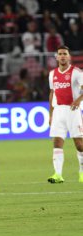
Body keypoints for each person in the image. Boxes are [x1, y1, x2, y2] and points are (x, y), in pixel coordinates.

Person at [48, 45, 83, 184]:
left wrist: (78, 99)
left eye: (65, 54)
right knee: (57, 142)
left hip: (73, 112)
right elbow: (52, 93)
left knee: (79, 144)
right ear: (56, 57)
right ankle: (58, 174)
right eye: (60, 54)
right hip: (58, 112)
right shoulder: (52, 74)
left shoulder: (77, 72)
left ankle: (81, 173)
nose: (62, 56)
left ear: (69, 57)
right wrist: (51, 114)